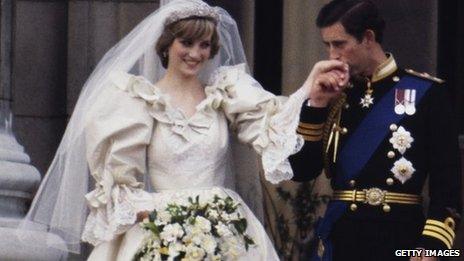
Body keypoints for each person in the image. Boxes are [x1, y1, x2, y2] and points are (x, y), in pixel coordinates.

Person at [18, 1, 348, 260]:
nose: (195, 53)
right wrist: (171, 220)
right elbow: (121, 189)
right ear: (166, 44)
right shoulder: (137, 101)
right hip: (160, 232)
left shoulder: (225, 94)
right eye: (186, 42)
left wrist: (309, 88)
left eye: (204, 45)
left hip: (225, 230)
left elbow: (274, 125)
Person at [289, 1, 462, 261]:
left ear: (368, 37)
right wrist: (316, 105)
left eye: (339, 44)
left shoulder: (426, 93)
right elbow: (302, 171)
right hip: (342, 240)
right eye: (328, 45)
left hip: (402, 241)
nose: (332, 56)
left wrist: (432, 249)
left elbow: (447, 188)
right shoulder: (334, 95)